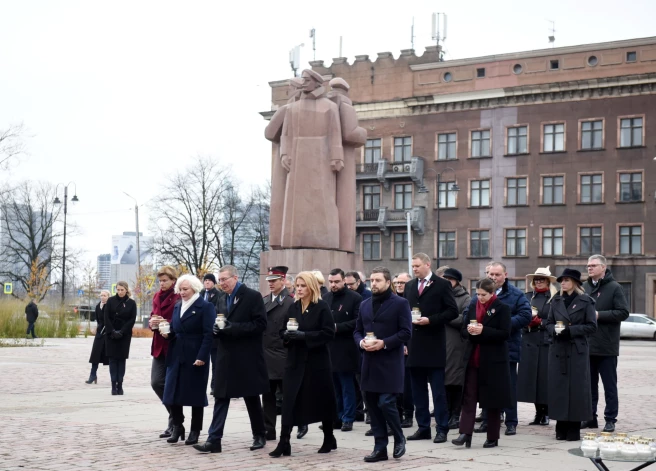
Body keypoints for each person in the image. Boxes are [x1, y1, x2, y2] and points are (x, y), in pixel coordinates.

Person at [194, 265, 269, 454]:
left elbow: (260, 324)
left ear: (235, 277)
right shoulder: (221, 297)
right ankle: (214, 440)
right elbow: (219, 322)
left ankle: (259, 434)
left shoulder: (252, 296)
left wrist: (232, 327)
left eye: (224, 279)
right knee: (221, 396)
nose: (221, 283)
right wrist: (217, 330)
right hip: (225, 355)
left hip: (247, 356)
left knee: (251, 397)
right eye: (219, 280)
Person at [269, 272, 337, 458]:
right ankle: (284, 441)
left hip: (317, 362)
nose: (299, 289)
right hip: (295, 361)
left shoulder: (321, 306)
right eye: (297, 285)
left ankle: (329, 437)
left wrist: (305, 336)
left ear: (311, 287)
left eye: (303, 286)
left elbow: (328, 333)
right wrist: (287, 336)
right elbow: (283, 330)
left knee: (322, 400)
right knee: (289, 401)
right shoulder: (294, 307)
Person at [354, 267, 412, 462]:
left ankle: (398, 437)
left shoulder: (401, 303)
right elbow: (357, 331)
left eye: (378, 280)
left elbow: (406, 332)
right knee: (372, 405)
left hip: (390, 362)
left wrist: (384, 343)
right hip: (369, 362)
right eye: (372, 280)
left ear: (388, 282)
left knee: (386, 402)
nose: (374, 284)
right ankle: (380, 448)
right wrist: (361, 343)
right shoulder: (364, 304)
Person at [470, 262, 531, 436]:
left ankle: (511, 422)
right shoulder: (479, 295)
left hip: (507, 347)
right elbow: (469, 313)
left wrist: (501, 325)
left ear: (505, 275)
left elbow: (525, 316)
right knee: (488, 387)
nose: (494, 278)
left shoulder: (516, 295)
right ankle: (488, 421)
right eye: (491, 275)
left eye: (497, 275)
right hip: (484, 348)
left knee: (509, 386)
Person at [404, 253, 459, 444]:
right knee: (417, 390)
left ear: (428, 265)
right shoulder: (410, 285)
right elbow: (404, 313)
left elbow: (452, 311)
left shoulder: (442, 284)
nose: (415, 269)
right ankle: (423, 427)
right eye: (413, 266)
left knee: (437, 391)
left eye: (418, 265)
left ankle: (442, 429)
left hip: (434, 343)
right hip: (414, 345)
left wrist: (431, 320)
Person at [452, 278, 512, 449]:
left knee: (492, 399)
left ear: (492, 293)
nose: (480, 297)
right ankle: (465, 433)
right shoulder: (472, 306)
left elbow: (505, 333)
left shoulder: (502, 308)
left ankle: (492, 437)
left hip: (493, 361)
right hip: (473, 358)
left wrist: (483, 330)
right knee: (469, 397)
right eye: (477, 294)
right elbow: (464, 329)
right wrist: (470, 331)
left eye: (483, 295)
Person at [161, 274, 215, 446]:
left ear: (194, 288)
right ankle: (177, 426)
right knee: (172, 392)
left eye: (185, 289)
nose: (182, 293)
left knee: (195, 395)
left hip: (195, 355)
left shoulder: (205, 307)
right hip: (177, 353)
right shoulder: (178, 306)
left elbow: (209, 334)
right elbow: (177, 330)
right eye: (180, 289)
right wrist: (168, 334)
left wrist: (202, 356)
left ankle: (195, 430)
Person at [546, 268, 597, 441]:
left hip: (577, 350)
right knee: (558, 388)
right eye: (562, 280)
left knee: (576, 390)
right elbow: (548, 323)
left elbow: (592, 326)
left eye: (567, 280)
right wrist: (555, 330)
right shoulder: (556, 300)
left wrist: (571, 330)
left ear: (575, 282)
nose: (563, 283)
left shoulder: (586, 301)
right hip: (558, 350)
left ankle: (574, 427)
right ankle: (560, 427)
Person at [582, 255, 629, 433]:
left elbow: (623, 312)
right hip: (587, 345)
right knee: (589, 385)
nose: (589, 268)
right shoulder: (584, 287)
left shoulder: (614, 287)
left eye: (593, 265)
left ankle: (610, 419)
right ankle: (590, 417)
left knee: (609, 386)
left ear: (603, 267)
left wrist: (599, 315)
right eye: (588, 266)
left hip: (607, 346)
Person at [517, 267, 557, 427]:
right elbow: (519, 314)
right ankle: (538, 412)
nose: (539, 282)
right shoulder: (527, 297)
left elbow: (557, 319)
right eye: (537, 279)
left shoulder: (555, 298)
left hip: (546, 340)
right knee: (531, 379)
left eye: (542, 279)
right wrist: (526, 321)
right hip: (529, 340)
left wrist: (541, 322)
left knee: (544, 378)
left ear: (548, 281)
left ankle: (546, 412)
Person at [324, 268, 362, 432]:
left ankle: (348, 418)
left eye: (337, 281)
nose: (333, 285)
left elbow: (358, 322)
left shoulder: (355, 298)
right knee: (334, 387)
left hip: (346, 348)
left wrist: (337, 327)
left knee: (347, 386)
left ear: (343, 281)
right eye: (331, 282)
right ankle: (337, 417)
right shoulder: (325, 298)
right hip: (329, 347)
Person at [261, 266, 297, 441]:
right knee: (267, 396)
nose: (271, 284)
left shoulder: (291, 302)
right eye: (269, 281)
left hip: (283, 355)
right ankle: (269, 429)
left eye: (274, 280)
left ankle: (288, 429)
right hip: (266, 355)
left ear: (283, 280)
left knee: (287, 397)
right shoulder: (265, 300)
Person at [148, 266, 180, 438]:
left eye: (165, 280)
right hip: (158, 346)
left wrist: (164, 321)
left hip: (172, 345)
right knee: (156, 382)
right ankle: (175, 417)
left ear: (173, 281)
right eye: (160, 280)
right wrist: (152, 322)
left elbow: (179, 319)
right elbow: (153, 315)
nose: (162, 283)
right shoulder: (156, 296)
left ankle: (175, 422)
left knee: (171, 386)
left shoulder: (177, 297)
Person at [442, 268, 471, 430]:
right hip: (440, 343)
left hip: (456, 344)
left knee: (455, 381)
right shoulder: (441, 296)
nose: (447, 282)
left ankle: (455, 414)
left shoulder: (465, 298)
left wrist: (445, 316)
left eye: (450, 280)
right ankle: (445, 413)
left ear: (457, 282)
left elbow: (465, 319)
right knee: (443, 381)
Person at [104, 281, 137, 395]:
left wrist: (122, 331)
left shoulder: (131, 303)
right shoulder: (111, 301)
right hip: (111, 334)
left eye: (122, 290)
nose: (120, 292)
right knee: (112, 360)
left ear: (126, 290)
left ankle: (120, 385)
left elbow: (132, 319)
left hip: (124, 335)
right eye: (118, 290)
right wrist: (112, 331)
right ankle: (113, 385)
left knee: (121, 360)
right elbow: (106, 317)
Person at [392, 272, 414, 428]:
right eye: (397, 282)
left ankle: (408, 414)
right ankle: (397, 413)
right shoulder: (392, 300)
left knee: (407, 384)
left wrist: (405, 343)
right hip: (394, 345)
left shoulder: (410, 300)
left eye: (402, 282)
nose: (399, 285)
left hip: (409, 346)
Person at [201, 273, 225, 395]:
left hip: (214, 334)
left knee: (215, 362)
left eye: (210, 281)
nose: (207, 283)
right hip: (201, 335)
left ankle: (214, 386)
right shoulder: (199, 294)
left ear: (214, 283)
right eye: (205, 280)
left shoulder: (219, 295)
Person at [86, 290, 110, 384]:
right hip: (99, 335)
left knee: (110, 357)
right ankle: (93, 375)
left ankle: (114, 378)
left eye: (104, 295)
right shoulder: (97, 306)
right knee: (95, 356)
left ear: (108, 296)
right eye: (101, 295)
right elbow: (98, 320)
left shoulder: (110, 306)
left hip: (108, 335)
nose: (102, 297)